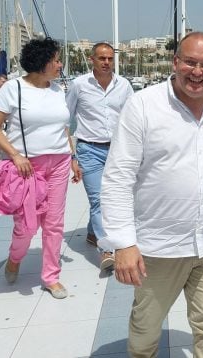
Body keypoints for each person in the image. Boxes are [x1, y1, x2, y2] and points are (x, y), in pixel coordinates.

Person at [99, 32, 203, 357]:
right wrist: (123, 242)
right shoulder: (143, 105)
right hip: (158, 247)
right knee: (147, 325)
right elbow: (117, 178)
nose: (197, 72)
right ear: (175, 62)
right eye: (190, 62)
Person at [0, 38, 81, 300]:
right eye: (57, 60)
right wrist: (15, 155)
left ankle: (51, 276)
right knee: (27, 225)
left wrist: (72, 156)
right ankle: (15, 257)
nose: (60, 64)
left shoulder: (57, 90)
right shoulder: (13, 88)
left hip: (59, 162)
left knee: (54, 223)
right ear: (42, 62)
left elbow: (64, 128)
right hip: (28, 165)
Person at [66, 42, 133, 271]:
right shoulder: (79, 85)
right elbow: (66, 119)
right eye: (102, 58)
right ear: (92, 59)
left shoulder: (123, 85)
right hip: (89, 148)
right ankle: (107, 249)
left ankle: (94, 232)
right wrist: (71, 156)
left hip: (117, 150)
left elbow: (132, 117)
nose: (106, 62)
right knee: (98, 200)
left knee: (117, 196)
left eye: (110, 58)